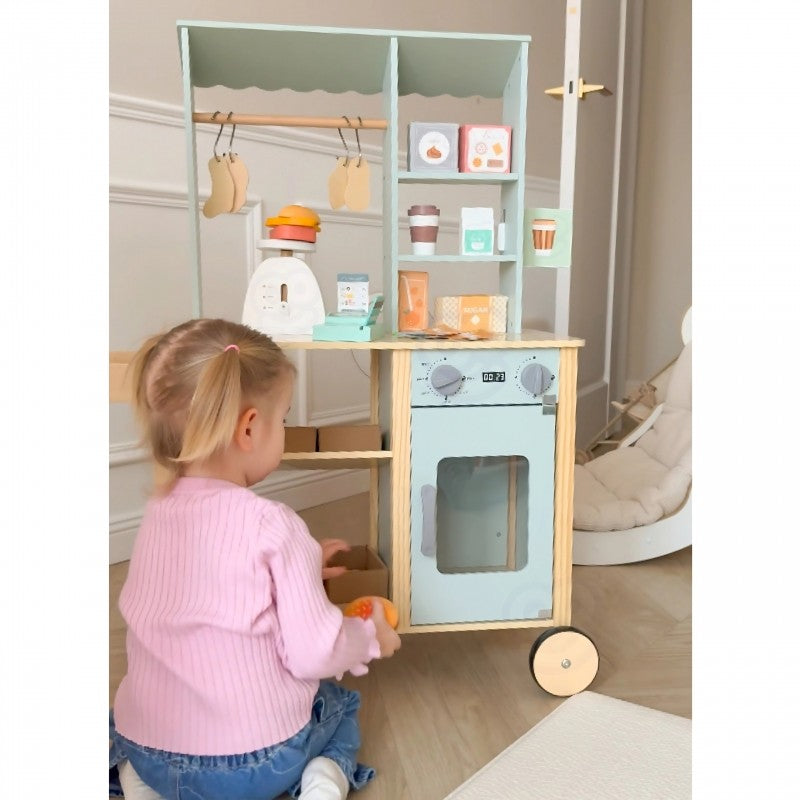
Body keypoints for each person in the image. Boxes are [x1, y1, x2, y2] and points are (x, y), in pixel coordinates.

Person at [108, 318, 401, 800]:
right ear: (249, 427)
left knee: (125, 723)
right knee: (340, 706)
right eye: (282, 418)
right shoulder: (273, 523)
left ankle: (142, 785)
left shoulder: (158, 511)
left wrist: (303, 566)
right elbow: (314, 653)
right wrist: (370, 635)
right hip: (254, 763)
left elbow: (209, 591)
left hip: (152, 751)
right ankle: (323, 784)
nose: (283, 428)